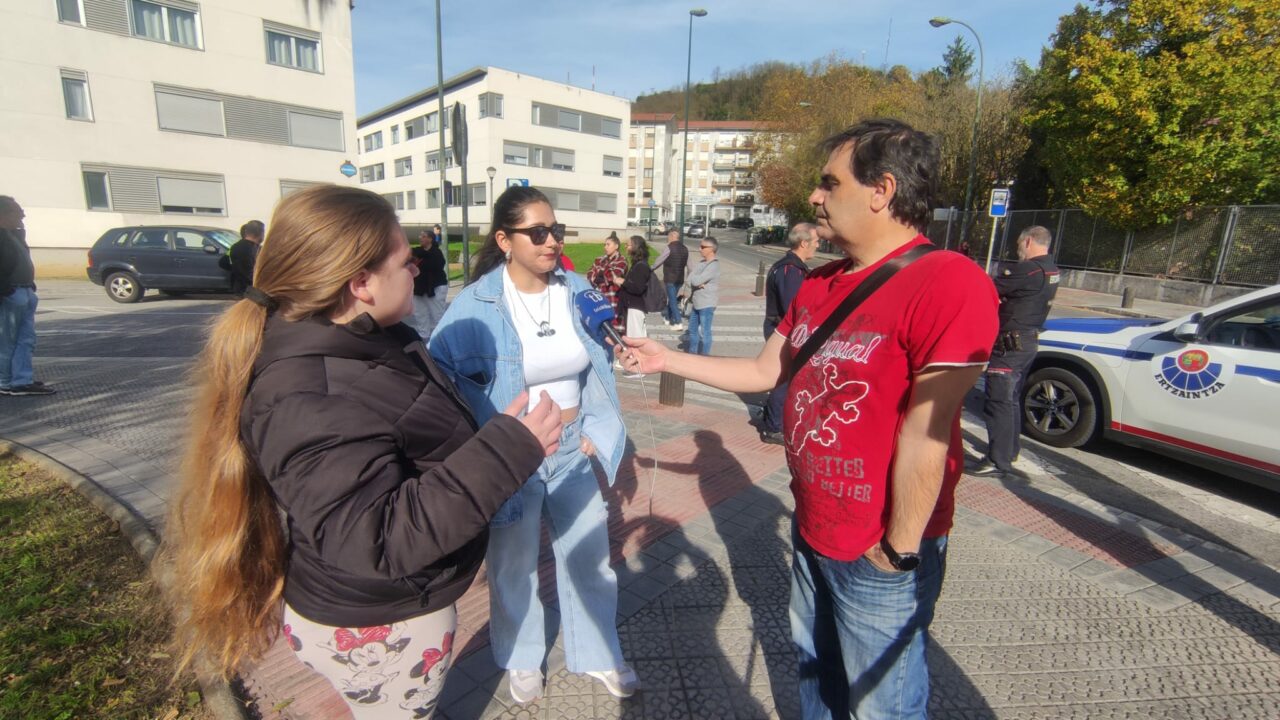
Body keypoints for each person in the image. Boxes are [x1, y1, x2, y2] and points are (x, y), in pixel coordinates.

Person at [618, 119, 999, 719]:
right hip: (814, 524)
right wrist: (667, 358)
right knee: (815, 680)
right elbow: (765, 372)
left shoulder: (948, 281)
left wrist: (898, 552)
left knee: (884, 709)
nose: (815, 198)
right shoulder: (818, 284)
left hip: (881, 548)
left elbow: (928, 433)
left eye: (829, 183)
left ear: (882, 191)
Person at [163, 185, 563, 719]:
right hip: (378, 624)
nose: (417, 270)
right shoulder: (309, 393)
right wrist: (510, 449)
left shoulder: (367, 338)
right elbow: (373, 536)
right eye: (405, 261)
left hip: (388, 607)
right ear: (360, 283)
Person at [430, 186, 638, 704]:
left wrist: (593, 429)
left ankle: (597, 651)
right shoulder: (476, 302)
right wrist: (489, 434)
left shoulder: (576, 289)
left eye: (557, 231)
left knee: (590, 555)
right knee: (512, 562)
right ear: (504, 239)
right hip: (513, 452)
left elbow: (597, 364)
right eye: (538, 232)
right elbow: (441, 374)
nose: (552, 242)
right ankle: (523, 656)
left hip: (571, 447)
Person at [968, 225, 1059, 480]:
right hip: (1027, 342)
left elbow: (987, 289)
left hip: (1010, 345)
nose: (1018, 249)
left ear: (1028, 241)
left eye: (1020, 244)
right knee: (1011, 401)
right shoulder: (1051, 269)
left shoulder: (1027, 269)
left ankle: (998, 461)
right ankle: (1010, 451)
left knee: (998, 402)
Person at [760, 222, 820, 444]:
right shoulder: (790, 270)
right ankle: (773, 426)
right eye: (816, 242)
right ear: (804, 243)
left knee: (784, 376)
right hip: (783, 330)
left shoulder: (791, 267)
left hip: (781, 328)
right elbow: (794, 308)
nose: (818, 245)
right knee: (784, 377)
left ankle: (772, 417)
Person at [0, 196, 54, 396]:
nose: (22, 215)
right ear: (4, 214)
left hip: (23, 290)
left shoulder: (13, 235)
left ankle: (21, 380)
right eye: (17, 211)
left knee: (26, 339)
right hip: (11, 293)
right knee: (8, 340)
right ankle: (6, 381)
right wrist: (6, 290)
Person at [684, 236, 720, 355]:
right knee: (692, 330)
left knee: (705, 333)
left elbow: (694, 281)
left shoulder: (713, 265)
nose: (700, 249)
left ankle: (705, 358)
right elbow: (689, 280)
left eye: (703, 247)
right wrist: (698, 282)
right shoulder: (701, 263)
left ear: (711, 249)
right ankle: (693, 355)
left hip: (707, 304)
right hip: (696, 303)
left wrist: (697, 281)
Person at [410, 229, 449, 339]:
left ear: (430, 239)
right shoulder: (417, 251)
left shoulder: (436, 253)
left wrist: (421, 259)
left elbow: (436, 266)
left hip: (435, 287)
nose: (420, 238)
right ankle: (423, 335)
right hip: (418, 288)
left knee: (437, 314)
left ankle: (442, 337)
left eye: (423, 236)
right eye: (420, 236)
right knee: (419, 313)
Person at [586, 231, 627, 333]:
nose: (605, 247)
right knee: (603, 331)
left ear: (616, 246)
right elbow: (590, 275)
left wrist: (600, 274)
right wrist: (600, 275)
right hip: (600, 299)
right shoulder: (599, 260)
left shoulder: (622, 260)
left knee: (616, 332)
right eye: (605, 244)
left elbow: (613, 275)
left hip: (614, 299)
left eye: (608, 244)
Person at [650, 228, 688, 330]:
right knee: (672, 299)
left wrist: (651, 268)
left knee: (672, 301)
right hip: (680, 279)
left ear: (672, 236)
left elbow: (660, 260)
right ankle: (669, 319)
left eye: (668, 237)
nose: (667, 239)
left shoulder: (669, 248)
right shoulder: (685, 248)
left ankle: (678, 322)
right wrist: (689, 280)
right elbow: (691, 266)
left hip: (670, 279)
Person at [615, 235, 653, 338]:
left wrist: (623, 281)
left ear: (635, 247)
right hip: (631, 306)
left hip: (635, 308)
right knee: (632, 337)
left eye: (627, 245)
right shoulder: (637, 264)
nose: (625, 247)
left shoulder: (641, 266)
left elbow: (638, 288)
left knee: (635, 340)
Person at [228, 220, 264, 294]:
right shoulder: (244, 249)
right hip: (248, 291)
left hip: (250, 289)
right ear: (260, 233)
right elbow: (247, 273)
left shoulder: (254, 247)